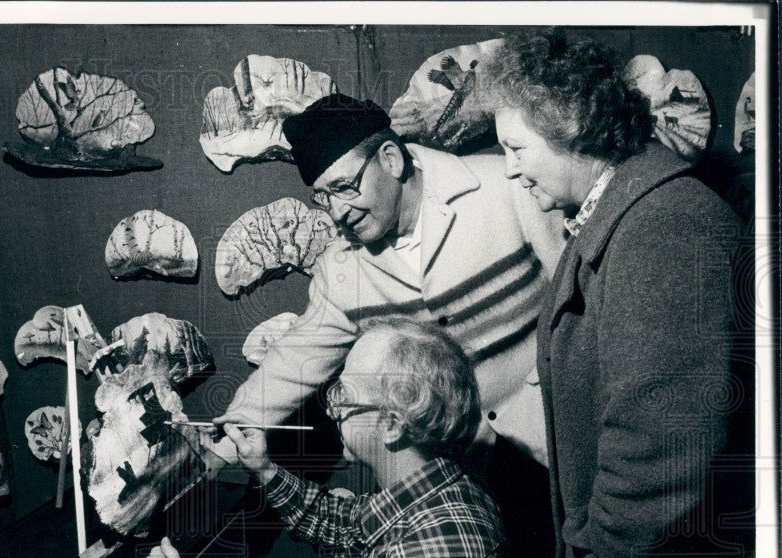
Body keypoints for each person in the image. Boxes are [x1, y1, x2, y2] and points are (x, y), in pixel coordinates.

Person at [482, 28, 755, 558]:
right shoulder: (617, 217)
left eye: (517, 147)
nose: (510, 168)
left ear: (571, 125)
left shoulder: (666, 226)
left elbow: (664, 446)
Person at [211, 92, 568, 466]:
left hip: (567, 430)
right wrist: (224, 445)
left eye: (343, 188)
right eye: (323, 197)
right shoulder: (341, 268)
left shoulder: (504, 186)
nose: (337, 213)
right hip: (471, 470)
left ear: (391, 159)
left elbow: (584, 299)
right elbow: (295, 360)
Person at [128, 318, 512, 558]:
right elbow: (349, 528)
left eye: (343, 395)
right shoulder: (448, 486)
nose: (332, 408)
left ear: (392, 426)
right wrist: (264, 469)